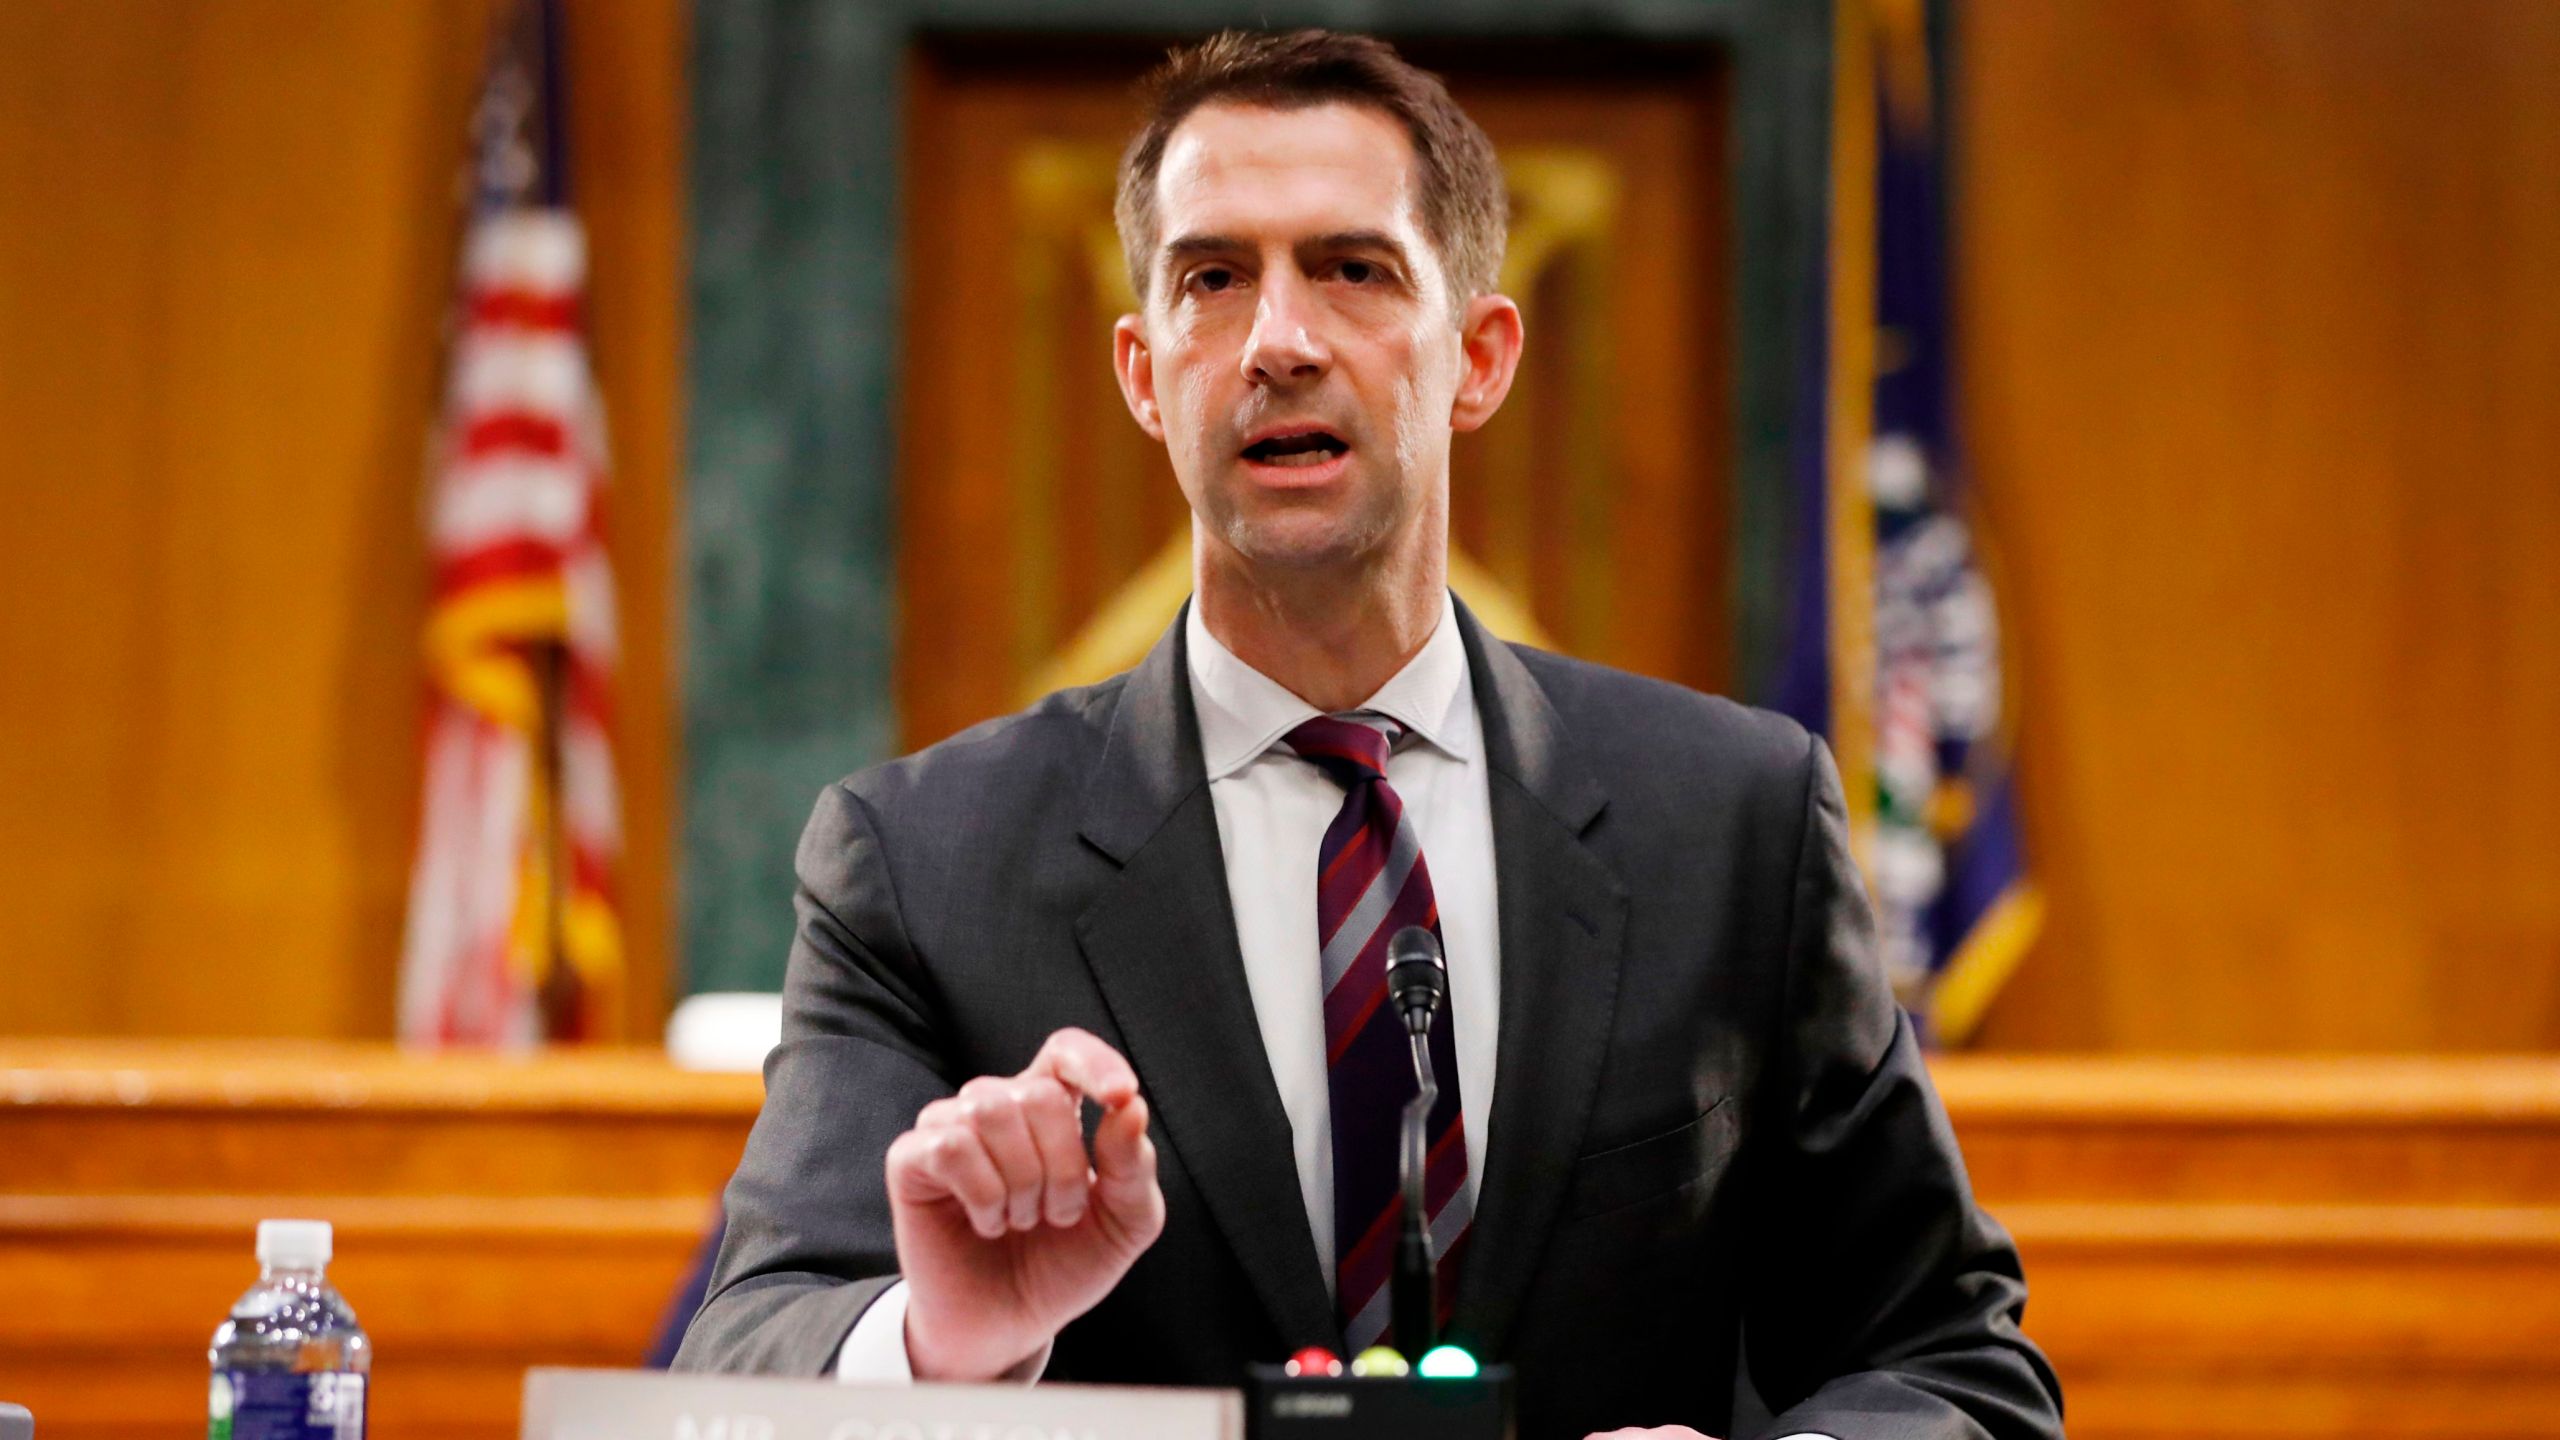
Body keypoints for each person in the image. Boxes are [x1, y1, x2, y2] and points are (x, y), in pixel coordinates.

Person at [675, 29, 2062, 1440]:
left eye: (1354, 270)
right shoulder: (919, 860)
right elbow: (736, 1369)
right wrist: (942, 1339)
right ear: (1145, 374)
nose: (1279, 341)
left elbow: (1957, 1362)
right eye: (1213, 280)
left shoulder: (1733, 822)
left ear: (1480, 357)